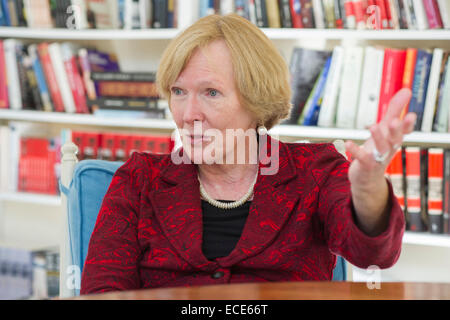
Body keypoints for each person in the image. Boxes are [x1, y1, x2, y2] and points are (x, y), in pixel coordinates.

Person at [80, 14, 416, 294]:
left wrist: (368, 190)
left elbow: (374, 254)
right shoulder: (140, 180)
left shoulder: (315, 170)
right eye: (178, 92)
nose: (188, 113)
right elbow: (103, 293)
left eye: (211, 92)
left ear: (257, 102)